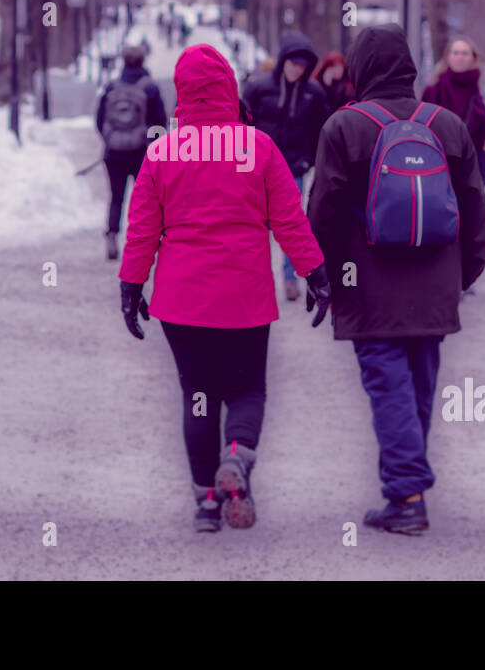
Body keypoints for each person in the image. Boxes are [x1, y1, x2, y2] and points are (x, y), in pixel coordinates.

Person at [119, 43, 331, 533]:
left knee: (198, 393)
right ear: (229, 89)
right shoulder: (258, 147)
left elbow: (143, 229)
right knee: (247, 388)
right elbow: (290, 221)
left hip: (182, 298)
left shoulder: (162, 153)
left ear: (182, 93)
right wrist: (315, 275)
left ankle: (207, 503)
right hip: (245, 295)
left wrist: (131, 288)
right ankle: (236, 456)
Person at [307, 24, 485, 535]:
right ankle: (402, 491)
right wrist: (457, 277)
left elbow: (323, 210)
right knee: (416, 389)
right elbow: (477, 215)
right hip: (433, 287)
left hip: (368, 287)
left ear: (361, 68)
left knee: (389, 387)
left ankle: (407, 496)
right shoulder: (447, 125)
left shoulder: (344, 127)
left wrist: (319, 274)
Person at [242, 30, 329, 301]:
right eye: (293, 64)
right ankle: (257, 277)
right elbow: (243, 124)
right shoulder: (258, 87)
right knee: (257, 224)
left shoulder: (313, 93)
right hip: (258, 168)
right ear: (283, 62)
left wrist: (309, 159)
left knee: (292, 224)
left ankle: (291, 278)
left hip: (294, 167)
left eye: (302, 66)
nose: (297, 70)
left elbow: (321, 129)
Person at [96, 43, 168, 260]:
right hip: (140, 153)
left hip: (114, 154)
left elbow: (99, 119)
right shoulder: (150, 88)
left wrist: (110, 138)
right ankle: (141, 241)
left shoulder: (111, 87)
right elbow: (160, 121)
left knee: (116, 197)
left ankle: (112, 234)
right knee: (144, 200)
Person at [422, 36, 485, 188]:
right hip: (439, 165)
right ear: (447, 57)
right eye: (456, 53)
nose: (460, 57)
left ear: (474, 58)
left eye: (465, 53)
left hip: (476, 166)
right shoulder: (433, 87)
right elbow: (421, 123)